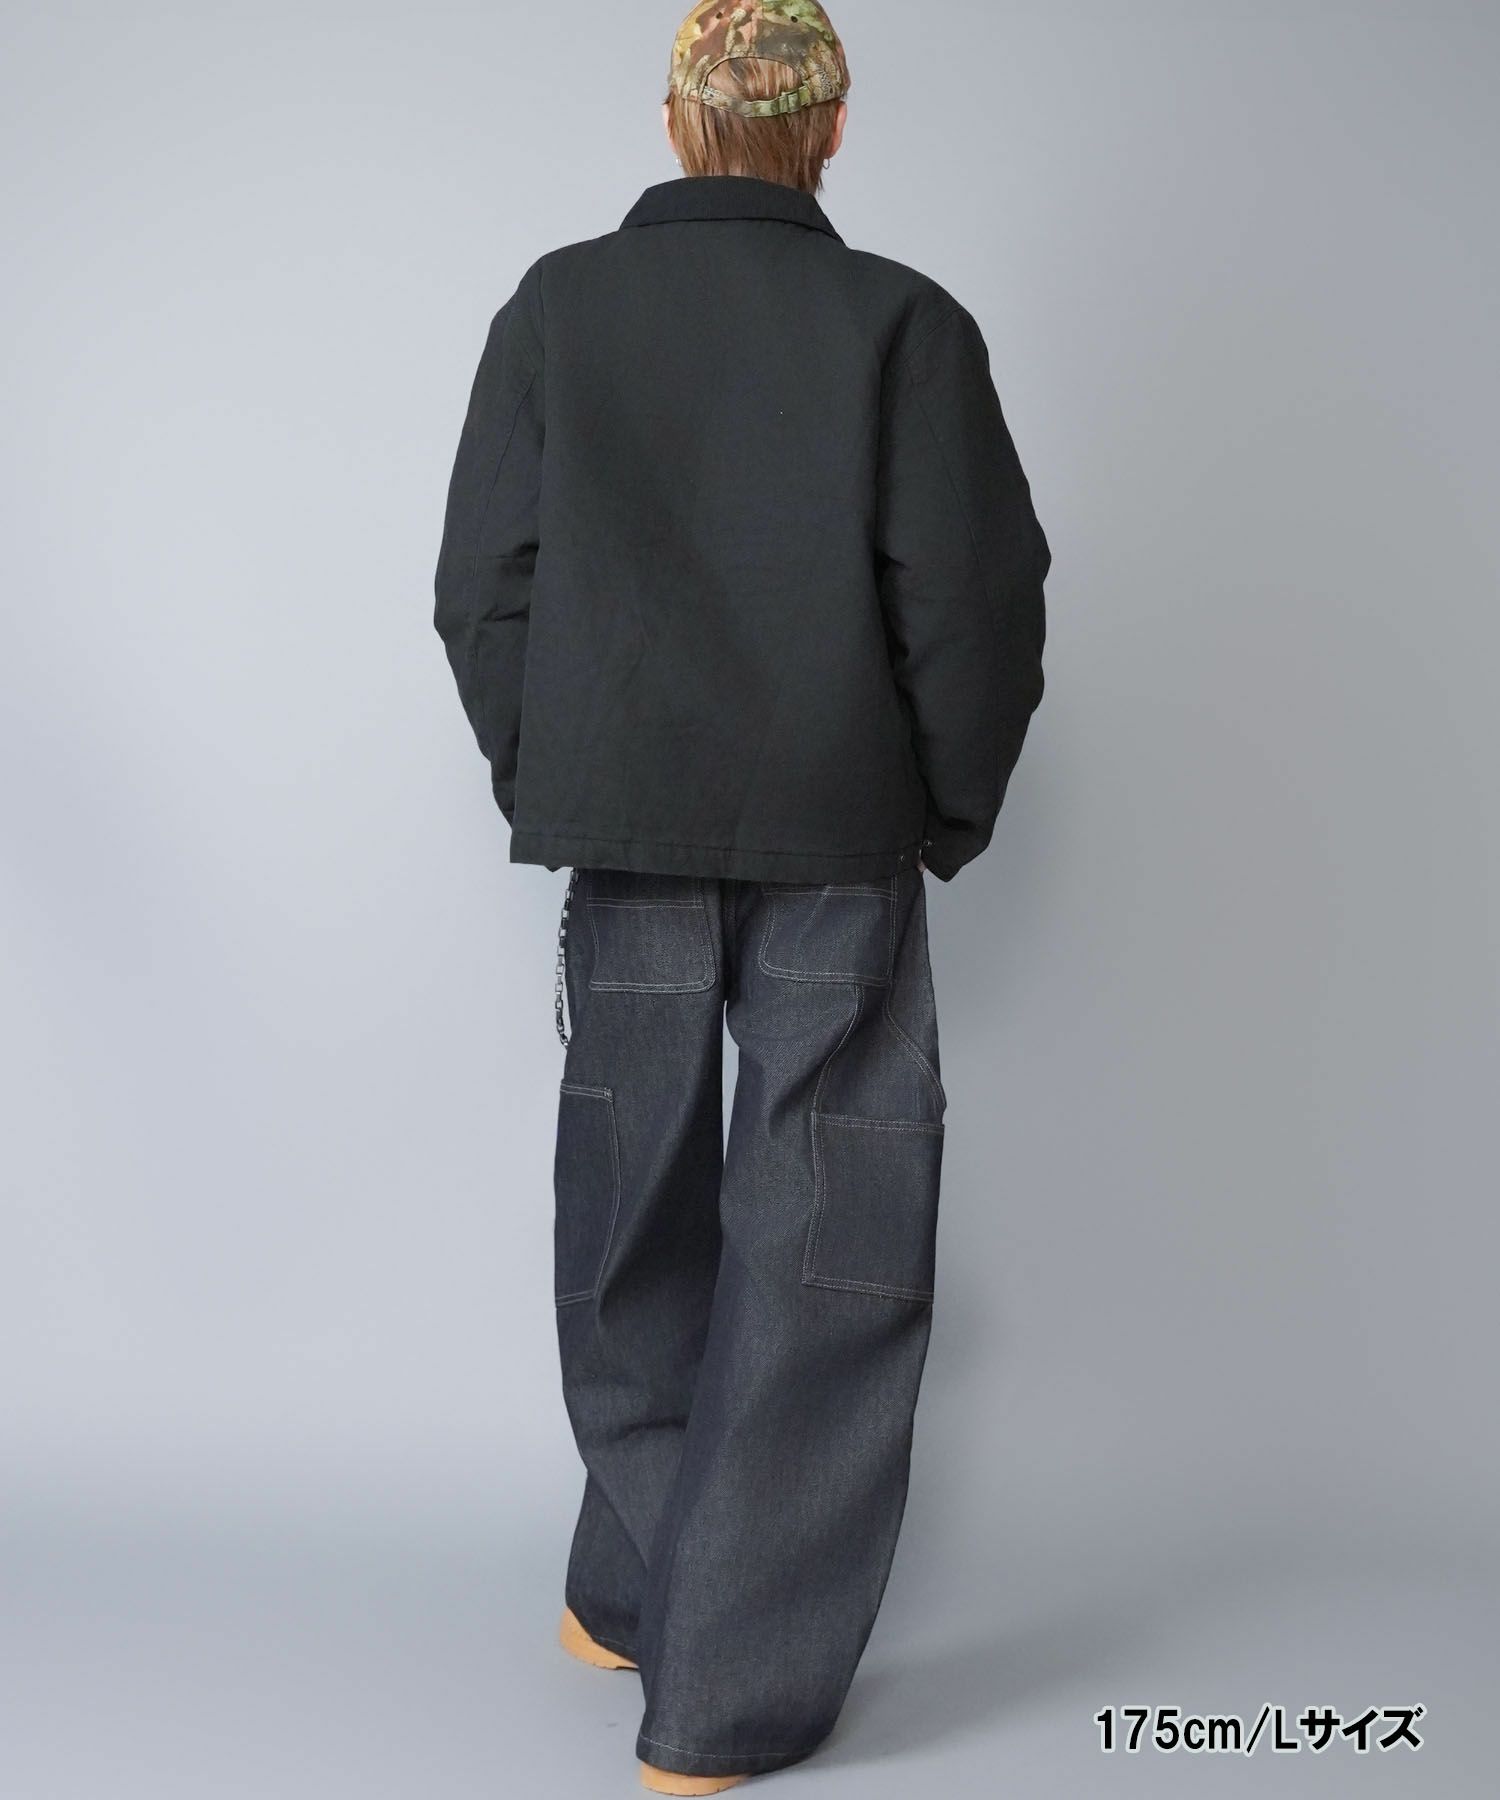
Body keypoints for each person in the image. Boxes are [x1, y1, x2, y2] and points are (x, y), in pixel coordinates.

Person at [434, 3, 1050, 1791]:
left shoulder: (558, 307)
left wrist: (559, 775)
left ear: (674, 119)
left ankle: (633, 1589)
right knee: (825, 1245)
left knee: (630, 1205)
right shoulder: (902, 325)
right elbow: (975, 602)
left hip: (624, 824)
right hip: (837, 832)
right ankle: (721, 1693)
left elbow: (483, 586)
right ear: (832, 130)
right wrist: (942, 809)